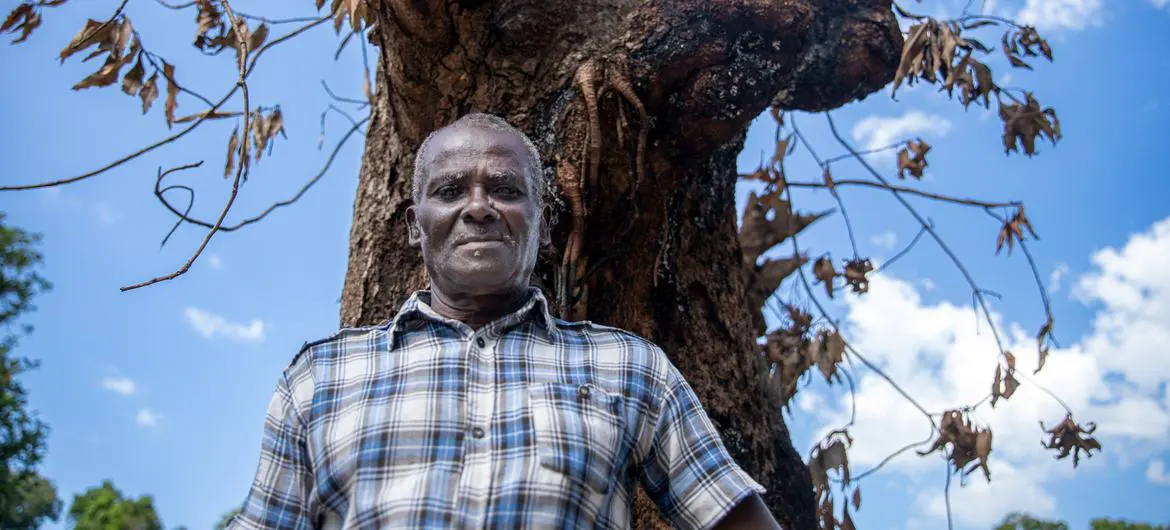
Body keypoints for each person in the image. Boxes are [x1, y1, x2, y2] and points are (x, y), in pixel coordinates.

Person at [229, 113, 781, 529]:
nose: (478, 207)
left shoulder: (631, 367)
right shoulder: (318, 377)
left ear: (542, 226)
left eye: (506, 189)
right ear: (414, 227)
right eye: (449, 191)